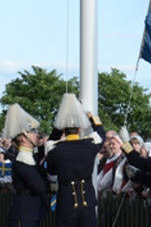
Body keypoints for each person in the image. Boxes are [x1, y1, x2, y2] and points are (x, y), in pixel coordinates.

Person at [45, 94, 106, 227]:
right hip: (87, 201)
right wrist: (89, 115)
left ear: (63, 129)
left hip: (66, 202)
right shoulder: (89, 144)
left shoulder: (54, 149)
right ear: (80, 128)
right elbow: (101, 133)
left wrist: (60, 120)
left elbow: (51, 170)